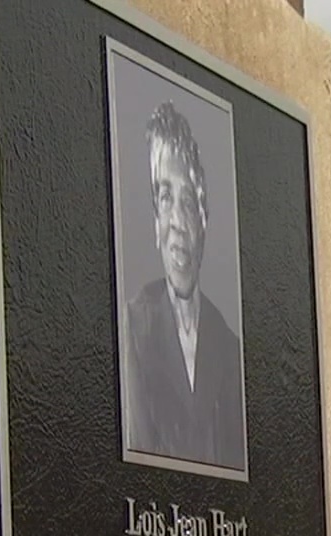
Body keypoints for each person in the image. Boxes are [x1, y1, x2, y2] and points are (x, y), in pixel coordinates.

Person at [122, 101, 246, 472]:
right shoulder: (132, 329)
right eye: (165, 197)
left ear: (204, 221)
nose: (177, 221)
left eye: (189, 202)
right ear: (155, 222)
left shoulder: (228, 348)